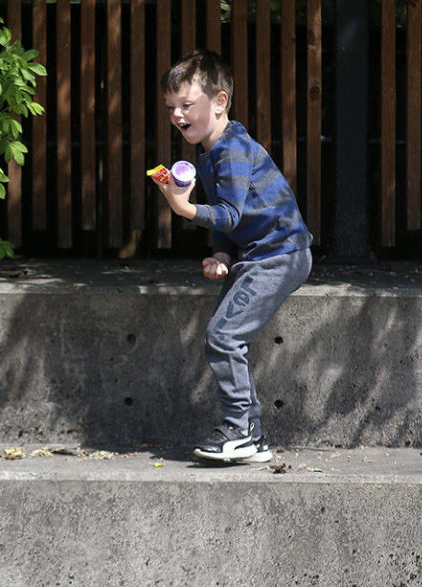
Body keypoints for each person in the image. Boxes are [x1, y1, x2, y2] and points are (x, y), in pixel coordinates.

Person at [153, 49, 313, 463]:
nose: (177, 114)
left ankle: (240, 431)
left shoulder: (233, 150)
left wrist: (184, 209)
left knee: (223, 337)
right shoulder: (212, 151)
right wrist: (221, 254)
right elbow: (229, 221)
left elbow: (230, 213)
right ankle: (249, 436)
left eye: (186, 105)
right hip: (258, 255)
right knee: (223, 337)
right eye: (172, 107)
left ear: (220, 102)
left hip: (280, 255)